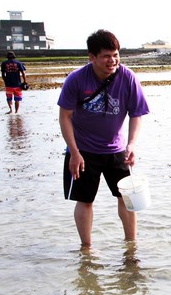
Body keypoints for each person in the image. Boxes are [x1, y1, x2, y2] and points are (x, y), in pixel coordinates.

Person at [57, 29, 150, 250]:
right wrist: (74, 152)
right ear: (92, 57)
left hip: (116, 150)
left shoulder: (128, 77)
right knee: (85, 199)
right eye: (106, 56)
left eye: (116, 54)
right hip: (83, 151)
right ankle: (86, 249)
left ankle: (131, 247)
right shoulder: (76, 79)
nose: (113, 60)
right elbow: (65, 116)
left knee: (126, 198)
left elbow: (136, 113)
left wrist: (131, 144)